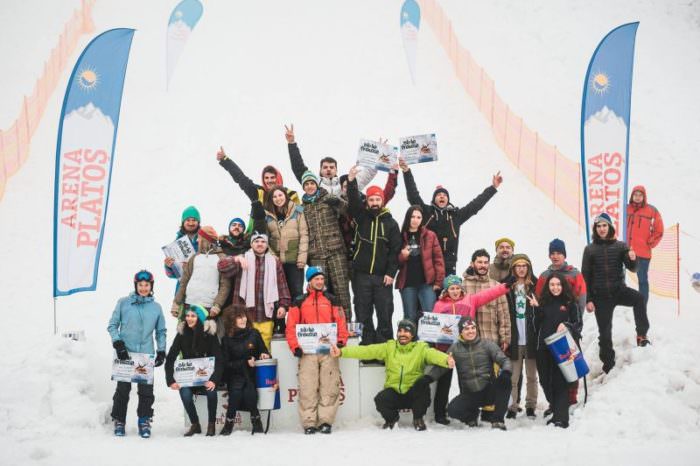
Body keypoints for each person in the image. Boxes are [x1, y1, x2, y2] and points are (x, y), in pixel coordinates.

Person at [331, 320, 451, 431]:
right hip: (395, 391)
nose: (402, 334)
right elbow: (367, 351)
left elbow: (434, 355)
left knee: (422, 386)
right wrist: (342, 352)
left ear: (413, 334)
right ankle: (392, 419)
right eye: (400, 331)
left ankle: (418, 419)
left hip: (413, 392)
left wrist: (447, 359)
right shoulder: (389, 347)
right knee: (381, 399)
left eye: (407, 331)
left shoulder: (421, 348)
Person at [431, 274, 512, 424]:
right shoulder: (439, 305)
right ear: (446, 290)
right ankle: (440, 413)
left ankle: (471, 415)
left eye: (457, 288)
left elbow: (488, 294)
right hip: (446, 348)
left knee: (466, 380)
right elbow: (434, 326)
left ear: (461, 288)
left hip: (466, 345)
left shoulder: (470, 299)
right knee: (444, 382)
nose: (455, 291)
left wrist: (505, 286)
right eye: (451, 288)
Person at [402, 163, 502, 275]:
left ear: (448, 199)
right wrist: (406, 172)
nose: (441, 196)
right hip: (427, 264)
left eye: (444, 195)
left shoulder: (456, 216)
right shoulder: (426, 212)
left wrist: (493, 188)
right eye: (438, 195)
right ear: (434, 199)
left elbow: (475, 205)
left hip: (448, 265)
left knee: (450, 292)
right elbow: (413, 195)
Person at [582, 213, 650, 374]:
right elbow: (585, 276)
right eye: (598, 226)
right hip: (600, 297)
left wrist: (633, 259)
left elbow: (633, 268)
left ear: (610, 227)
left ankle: (642, 335)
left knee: (639, 298)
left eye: (604, 225)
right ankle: (608, 366)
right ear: (595, 229)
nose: (602, 229)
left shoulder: (621, 246)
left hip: (619, 291)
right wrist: (589, 299)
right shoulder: (590, 249)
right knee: (604, 334)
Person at [286, 267, 349, 434]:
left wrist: (341, 341)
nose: (320, 282)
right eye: (316, 279)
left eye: (322, 279)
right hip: (307, 352)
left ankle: (325, 421)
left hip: (328, 350)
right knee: (308, 387)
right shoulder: (299, 301)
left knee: (329, 387)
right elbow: (291, 327)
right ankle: (309, 423)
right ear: (310, 281)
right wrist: (295, 346)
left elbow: (341, 322)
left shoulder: (332, 300)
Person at [107, 270, 167, 438]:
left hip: (145, 355)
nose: (143, 288)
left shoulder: (156, 307)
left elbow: (161, 331)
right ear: (136, 285)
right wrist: (118, 343)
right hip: (125, 354)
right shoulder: (123, 303)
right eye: (140, 285)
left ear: (151, 286)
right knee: (123, 390)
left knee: (146, 391)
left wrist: (161, 350)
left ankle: (144, 420)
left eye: (146, 285)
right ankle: (119, 420)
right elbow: (112, 325)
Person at [347, 165, 402, 345]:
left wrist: (390, 273)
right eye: (371, 199)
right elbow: (353, 199)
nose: (375, 203)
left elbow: (395, 250)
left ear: (382, 200)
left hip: (382, 277)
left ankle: (384, 348)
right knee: (363, 313)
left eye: (378, 199)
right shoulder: (361, 216)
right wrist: (352, 180)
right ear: (368, 201)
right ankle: (367, 347)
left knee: (385, 313)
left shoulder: (391, 223)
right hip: (361, 275)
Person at [430, 316, 512, 430]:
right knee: (453, 410)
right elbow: (443, 366)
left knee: (505, 381)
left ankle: (498, 420)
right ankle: (471, 417)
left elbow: (504, 360)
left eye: (473, 328)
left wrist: (506, 372)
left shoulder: (487, 344)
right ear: (461, 332)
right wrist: (427, 378)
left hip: (489, 389)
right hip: (470, 393)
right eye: (467, 329)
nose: (471, 331)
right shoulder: (455, 348)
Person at [217, 232, 292, 350]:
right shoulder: (243, 258)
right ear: (251, 244)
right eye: (256, 241)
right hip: (244, 316)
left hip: (266, 315)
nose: (260, 244)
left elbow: (282, 285)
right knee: (245, 351)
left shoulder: (274, 262)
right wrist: (236, 259)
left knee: (265, 351)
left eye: (263, 242)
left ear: (267, 245)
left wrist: (283, 305)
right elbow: (222, 267)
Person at [536, 238, 586, 407]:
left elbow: (581, 299)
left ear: (564, 255)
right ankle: (554, 402)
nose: (555, 256)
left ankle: (571, 399)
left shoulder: (574, 274)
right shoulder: (544, 276)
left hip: (569, 326)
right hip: (550, 328)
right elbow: (539, 299)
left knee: (570, 364)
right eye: (553, 253)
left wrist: (574, 323)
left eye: (559, 253)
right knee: (551, 369)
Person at [528, 273, 581, 428]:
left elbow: (578, 324)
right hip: (543, 348)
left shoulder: (570, 302)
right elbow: (535, 325)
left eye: (558, 284)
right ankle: (556, 408)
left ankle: (561, 418)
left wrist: (567, 325)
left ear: (563, 285)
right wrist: (536, 309)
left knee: (560, 382)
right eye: (552, 285)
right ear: (548, 286)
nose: (555, 287)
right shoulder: (542, 302)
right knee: (545, 381)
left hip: (562, 348)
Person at [165, 305, 223, 437]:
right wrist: (171, 380)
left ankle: (211, 424)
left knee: (211, 393)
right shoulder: (181, 334)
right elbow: (170, 358)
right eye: (187, 315)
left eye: (193, 316)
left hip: (206, 377)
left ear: (200, 318)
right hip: (188, 378)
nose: (189, 319)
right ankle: (195, 424)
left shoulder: (210, 335)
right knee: (184, 393)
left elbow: (219, 359)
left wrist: (214, 380)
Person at [263, 185, 309, 334]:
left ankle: (296, 325)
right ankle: (280, 326)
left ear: (285, 196)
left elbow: (304, 235)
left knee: (296, 293)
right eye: (274, 197)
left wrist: (302, 258)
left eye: (280, 195)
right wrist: (272, 257)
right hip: (276, 261)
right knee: (277, 294)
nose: (278, 199)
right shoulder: (267, 215)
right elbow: (266, 239)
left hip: (294, 259)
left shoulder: (298, 211)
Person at [285, 123, 377, 197]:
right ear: (320, 170)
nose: (328, 169)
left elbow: (367, 174)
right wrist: (292, 143)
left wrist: (379, 153)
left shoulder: (345, 183)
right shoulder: (313, 183)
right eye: (325, 167)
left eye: (331, 167)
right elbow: (298, 167)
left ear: (336, 170)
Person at [219, 305, 271, 435]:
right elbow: (226, 364)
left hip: (253, 374)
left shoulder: (254, 333)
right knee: (236, 392)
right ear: (232, 320)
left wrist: (265, 355)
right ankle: (229, 424)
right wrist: (244, 363)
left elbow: (263, 350)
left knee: (249, 391)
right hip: (235, 374)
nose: (243, 320)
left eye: (243, 316)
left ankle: (256, 423)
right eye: (238, 317)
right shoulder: (226, 339)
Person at [171, 226, 231, 337]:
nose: (198, 240)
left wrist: (217, 305)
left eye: (200, 237)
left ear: (206, 239)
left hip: (208, 306)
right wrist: (176, 303)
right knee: (186, 337)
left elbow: (225, 286)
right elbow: (184, 282)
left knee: (207, 338)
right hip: (189, 304)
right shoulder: (194, 258)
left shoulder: (222, 258)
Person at [395, 205, 445, 323]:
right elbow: (393, 261)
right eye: (412, 216)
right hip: (407, 284)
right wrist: (402, 256)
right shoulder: (400, 236)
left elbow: (438, 259)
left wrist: (438, 282)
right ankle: (411, 341)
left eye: (418, 217)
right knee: (409, 317)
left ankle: (429, 342)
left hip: (426, 284)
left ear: (422, 219)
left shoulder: (430, 235)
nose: (415, 219)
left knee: (430, 316)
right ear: (408, 218)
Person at [503, 254, 538, 419]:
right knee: (513, 377)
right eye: (518, 266)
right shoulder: (508, 288)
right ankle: (512, 406)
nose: (522, 268)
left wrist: (537, 307)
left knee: (531, 376)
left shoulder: (536, 286)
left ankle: (531, 405)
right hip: (515, 339)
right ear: (513, 268)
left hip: (531, 338)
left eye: (525, 265)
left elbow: (542, 312)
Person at [462, 249, 511, 351]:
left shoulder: (496, 286)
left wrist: (505, 339)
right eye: (479, 262)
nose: (483, 265)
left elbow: (504, 315)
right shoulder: (463, 286)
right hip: (469, 343)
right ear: (472, 264)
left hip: (491, 341)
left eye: (486, 262)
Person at [217, 146, 300, 205]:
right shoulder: (258, 193)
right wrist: (225, 160)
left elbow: (300, 218)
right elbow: (241, 178)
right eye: (266, 178)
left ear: (278, 178)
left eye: (272, 177)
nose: (269, 181)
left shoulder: (290, 195)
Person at [626, 185, 664, 305]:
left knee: (642, 280)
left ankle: (642, 305)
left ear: (644, 197)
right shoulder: (625, 208)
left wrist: (650, 242)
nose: (637, 198)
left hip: (642, 253)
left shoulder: (651, 210)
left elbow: (659, 230)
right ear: (632, 196)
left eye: (640, 195)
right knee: (617, 277)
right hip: (625, 250)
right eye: (635, 195)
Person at [164, 206, 201, 288]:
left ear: (198, 222)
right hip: (182, 291)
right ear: (183, 222)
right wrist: (168, 266)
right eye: (188, 220)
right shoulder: (177, 242)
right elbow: (171, 275)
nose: (191, 223)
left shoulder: (205, 240)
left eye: (194, 220)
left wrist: (191, 266)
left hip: (201, 290)